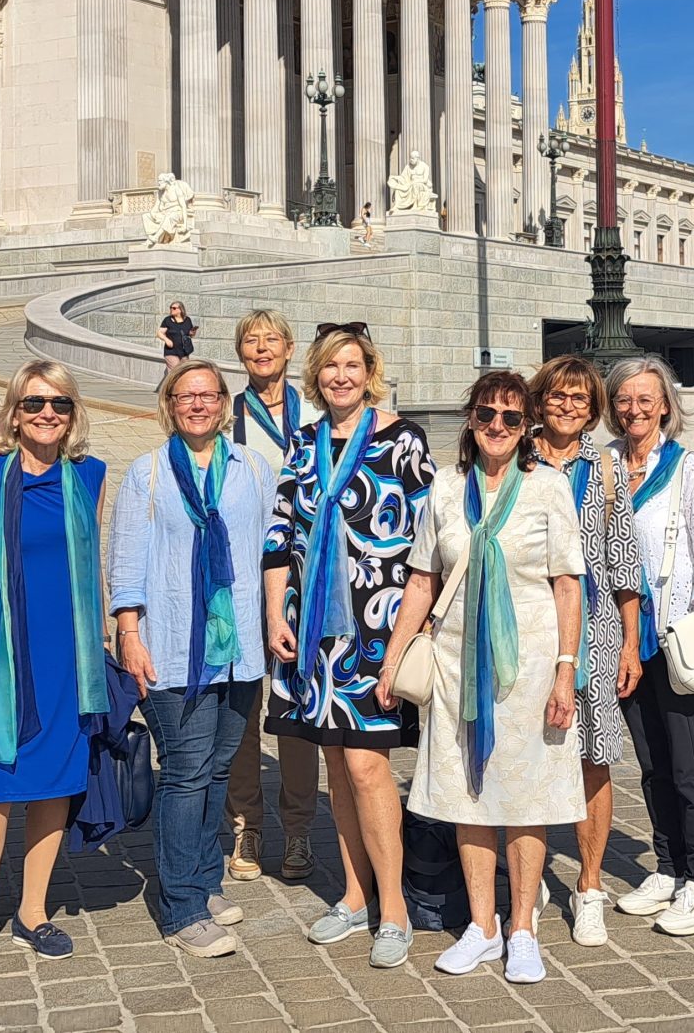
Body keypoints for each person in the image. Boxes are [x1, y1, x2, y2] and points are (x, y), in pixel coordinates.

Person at [385, 370, 585, 983]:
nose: (497, 426)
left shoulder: (547, 487)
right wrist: (393, 660)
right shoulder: (445, 489)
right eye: (486, 415)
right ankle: (483, 925)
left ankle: (523, 927)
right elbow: (422, 578)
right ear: (470, 420)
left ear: (526, 428)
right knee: (466, 794)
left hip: (528, 661)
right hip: (454, 660)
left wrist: (565, 673)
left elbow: (567, 583)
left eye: (511, 417)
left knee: (526, 798)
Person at [263, 322, 436, 969]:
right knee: (338, 768)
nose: (341, 375)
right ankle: (355, 894)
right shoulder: (304, 443)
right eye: (331, 366)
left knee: (368, 768)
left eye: (352, 365)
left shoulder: (402, 441)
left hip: (376, 629)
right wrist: (274, 611)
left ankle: (395, 908)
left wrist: (411, 633)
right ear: (317, 374)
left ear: (370, 371)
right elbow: (280, 534)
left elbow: (428, 544)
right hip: (314, 636)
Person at [0, 359, 112, 980]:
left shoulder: (89, 477)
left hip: (67, 658)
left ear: (72, 415)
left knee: (55, 784)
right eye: (35, 403)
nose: (47, 414)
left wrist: (106, 652)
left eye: (60, 404)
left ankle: (34, 911)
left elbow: (93, 571)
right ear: (14, 413)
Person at [110, 358, 279, 958]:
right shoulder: (147, 473)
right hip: (173, 647)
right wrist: (129, 632)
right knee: (184, 771)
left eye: (208, 395)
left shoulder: (251, 468)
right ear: (170, 406)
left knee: (215, 768)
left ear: (224, 405)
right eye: (186, 396)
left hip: (237, 651)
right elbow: (126, 563)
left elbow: (269, 553)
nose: (198, 404)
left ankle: (205, 882)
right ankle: (180, 905)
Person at [604, 355, 694, 937]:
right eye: (623, 400)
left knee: (690, 763)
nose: (634, 409)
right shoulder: (604, 465)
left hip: (677, 631)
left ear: (665, 406)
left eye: (645, 399)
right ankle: (667, 866)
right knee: (651, 760)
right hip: (622, 637)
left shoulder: (690, 471)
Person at [523, 355, 643, 949]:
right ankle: (530, 875)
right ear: (540, 401)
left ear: (594, 409)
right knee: (530, 753)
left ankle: (590, 885)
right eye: (558, 397)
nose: (569, 406)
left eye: (580, 399)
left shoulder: (606, 469)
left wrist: (630, 641)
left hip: (592, 627)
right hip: (521, 624)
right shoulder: (514, 453)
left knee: (592, 757)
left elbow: (621, 554)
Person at [224, 310, 321, 883]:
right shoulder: (227, 415)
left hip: (304, 577)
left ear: (289, 348)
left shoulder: (315, 413)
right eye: (250, 341)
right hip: (242, 574)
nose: (261, 349)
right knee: (242, 706)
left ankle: (300, 828)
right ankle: (247, 825)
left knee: (297, 705)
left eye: (271, 340)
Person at [159, 300, 199, 372]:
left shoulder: (187, 320)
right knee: (175, 372)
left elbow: (190, 335)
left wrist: (192, 333)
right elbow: (159, 333)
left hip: (184, 352)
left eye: (174, 308)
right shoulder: (167, 320)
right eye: (170, 307)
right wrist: (167, 340)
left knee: (184, 372)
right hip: (171, 352)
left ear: (180, 309)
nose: (171, 309)